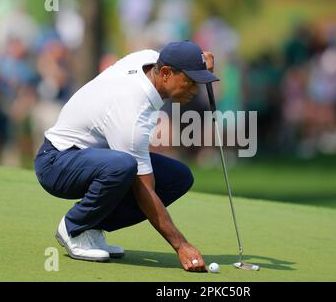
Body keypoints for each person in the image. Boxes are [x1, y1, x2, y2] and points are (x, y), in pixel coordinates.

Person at [34, 40, 219, 272]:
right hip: (56, 163)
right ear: (165, 74)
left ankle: (92, 226)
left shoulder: (148, 59)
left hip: (91, 157)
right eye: (191, 81)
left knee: (178, 177)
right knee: (124, 166)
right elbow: (145, 191)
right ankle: (74, 227)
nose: (195, 89)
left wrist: (200, 64)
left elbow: (174, 55)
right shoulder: (133, 112)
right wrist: (181, 245)